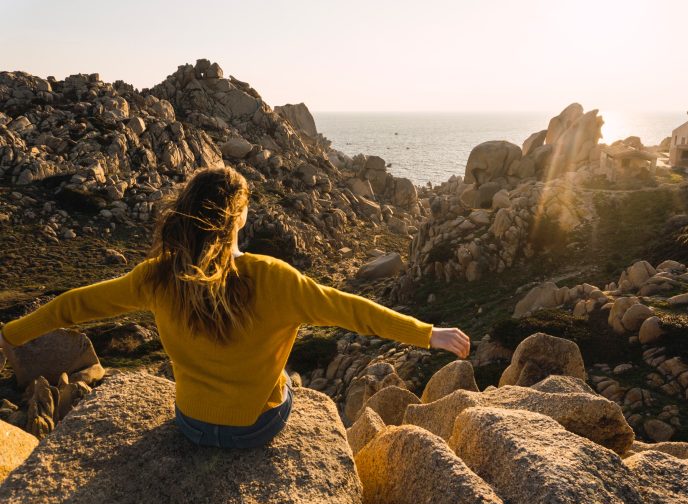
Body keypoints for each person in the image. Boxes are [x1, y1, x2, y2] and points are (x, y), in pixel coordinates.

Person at [0, 166, 471, 449]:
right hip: (254, 429)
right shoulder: (273, 278)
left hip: (190, 422)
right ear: (239, 216)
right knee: (287, 381)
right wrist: (428, 333)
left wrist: (13, 334)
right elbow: (352, 310)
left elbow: (74, 305)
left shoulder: (157, 275)